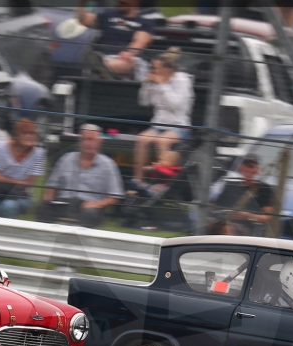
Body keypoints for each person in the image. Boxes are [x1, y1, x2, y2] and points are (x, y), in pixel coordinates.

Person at [40, 124, 124, 228]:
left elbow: (115, 196)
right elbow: (52, 185)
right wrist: (48, 199)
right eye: (84, 139)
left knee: (90, 213)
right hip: (64, 202)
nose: (87, 143)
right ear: (80, 141)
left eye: (91, 139)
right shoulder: (66, 159)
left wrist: (97, 204)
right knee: (43, 208)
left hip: (89, 206)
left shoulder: (108, 165)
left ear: (99, 141)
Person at [133, 48, 193, 185]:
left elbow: (175, 105)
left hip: (179, 125)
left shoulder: (182, 81)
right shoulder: (156, 80)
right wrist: (146, 85)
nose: (153, 71)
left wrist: (162, 85)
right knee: (142, 139)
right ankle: (138, 180)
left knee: (162, 141)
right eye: (152, 67)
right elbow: (144, 102)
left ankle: (162, 182)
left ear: (168, 69)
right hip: (158, 124)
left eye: (155, 68)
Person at [0, 118, 46, 219]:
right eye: (25, 133)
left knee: (9, 206)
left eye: (32, 133)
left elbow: (29, 183)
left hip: (19, 194)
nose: (29, 136)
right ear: (16, 135)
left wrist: (1, 178)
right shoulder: (0, 147)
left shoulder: (39, 154)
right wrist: (17, 182)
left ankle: (6, 233)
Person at [78, 0, 154, 80]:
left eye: (124, 3)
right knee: (98, 59)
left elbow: (141, 41)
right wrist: (81, 3)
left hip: (126, 58)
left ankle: (100, 68)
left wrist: (130, 52)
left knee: (125, 63)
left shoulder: (144, 23)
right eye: (120, 3)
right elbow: (84, 20)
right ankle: (103, 70)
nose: (120, 3)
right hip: (103, 56)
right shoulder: (107, 15)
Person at [207, 154, 276, 236]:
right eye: (246, 166)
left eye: (251, 167)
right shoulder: (230, 185)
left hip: (246, 227)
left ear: (257, 170)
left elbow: (270, 218)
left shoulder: (264, 188)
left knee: (227, 228)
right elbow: (215, 206)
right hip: (221, 220)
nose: (248, 170)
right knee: (206, 224)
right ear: (239, 167)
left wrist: (249, 216)